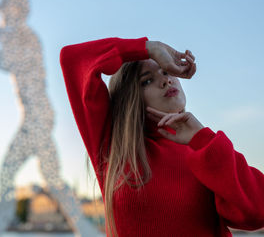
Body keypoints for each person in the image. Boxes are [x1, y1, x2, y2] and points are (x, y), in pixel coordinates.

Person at [60, 37, 264, 237]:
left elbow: (257, 213)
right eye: (147, 80)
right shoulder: (114, 146)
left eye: (167, 72)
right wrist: (149, 48)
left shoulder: (205, 150)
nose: (165, 80)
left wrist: (203, 140)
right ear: (130, 97)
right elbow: (73, 59)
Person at [0, 0, 102, 236]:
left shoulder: (26, 38)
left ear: (16, 10)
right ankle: (87, 230)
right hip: (38, 116)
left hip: (38, 116)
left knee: (8, 173)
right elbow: (2, 39)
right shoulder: (17, 37)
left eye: (5, 9)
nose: (2, 14)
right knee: (53, 180)